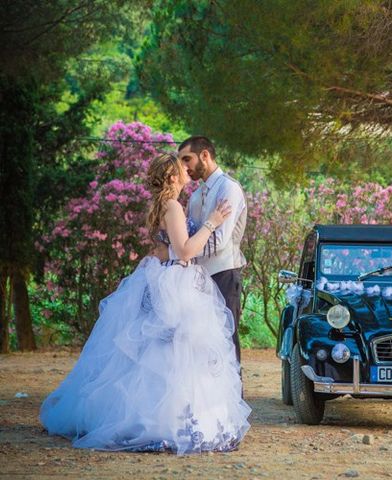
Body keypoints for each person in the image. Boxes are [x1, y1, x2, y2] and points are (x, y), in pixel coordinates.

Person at [40, 153, 251, 455]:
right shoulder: (173, 207)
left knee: (161, 352)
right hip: (175, 285)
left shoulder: (160, 206)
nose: (187, 171)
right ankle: (165, 421)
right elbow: (185, 251)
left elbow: (162, 250)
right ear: (173, 177)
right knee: (175, 354)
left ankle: (159, 414)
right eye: (182, 169)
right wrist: (212, 223)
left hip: (161, 279)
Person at [178, 136, 247, 363]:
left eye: (187, 159)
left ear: (205, 155)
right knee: (201, 345)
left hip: (224, 276)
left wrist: (184, 252)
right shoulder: (196, 195)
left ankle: (234, 399)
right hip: (197, 280)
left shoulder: (229, 188)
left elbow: (218, 242)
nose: (184, 166)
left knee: (226, 343)